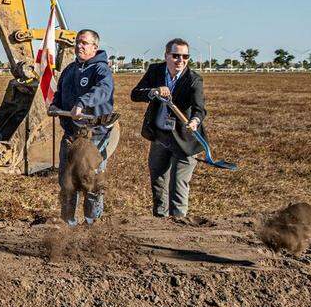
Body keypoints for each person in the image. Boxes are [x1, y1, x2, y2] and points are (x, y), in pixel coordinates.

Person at [131, 38, 207, 219]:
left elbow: (200, 109)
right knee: (158, 180)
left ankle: (178, 223)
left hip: (185, 139)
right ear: (166, 56)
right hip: (160, 136)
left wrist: (194, 121)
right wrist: (153, 92)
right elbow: (135, 94)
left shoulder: (193, 79)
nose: (181, 60)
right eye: (176, 56)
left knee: (178, 184)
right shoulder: (155, 71)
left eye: (185, 56)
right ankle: (160, 222)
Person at [49, 28, 119, 225]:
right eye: (78, 42)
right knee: (67, 181)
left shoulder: (101, 70)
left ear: (95, 47)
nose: (79, 46)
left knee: (91, 182)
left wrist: (82, 103)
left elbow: (103, 90)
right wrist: (55, 105)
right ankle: (68, 223)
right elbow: (60, 93)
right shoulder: (69, 70)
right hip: (71, 134)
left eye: (84, 43)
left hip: (94, 135)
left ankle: (92, 223)